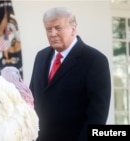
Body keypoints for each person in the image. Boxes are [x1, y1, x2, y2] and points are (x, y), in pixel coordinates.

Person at [29, 7, 111, 141]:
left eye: (58, 28)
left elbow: (97, 116)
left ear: (73, 29)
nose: (53, 34)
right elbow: (33, 100)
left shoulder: (95, 60)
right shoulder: (41, 56)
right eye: (48, 29)